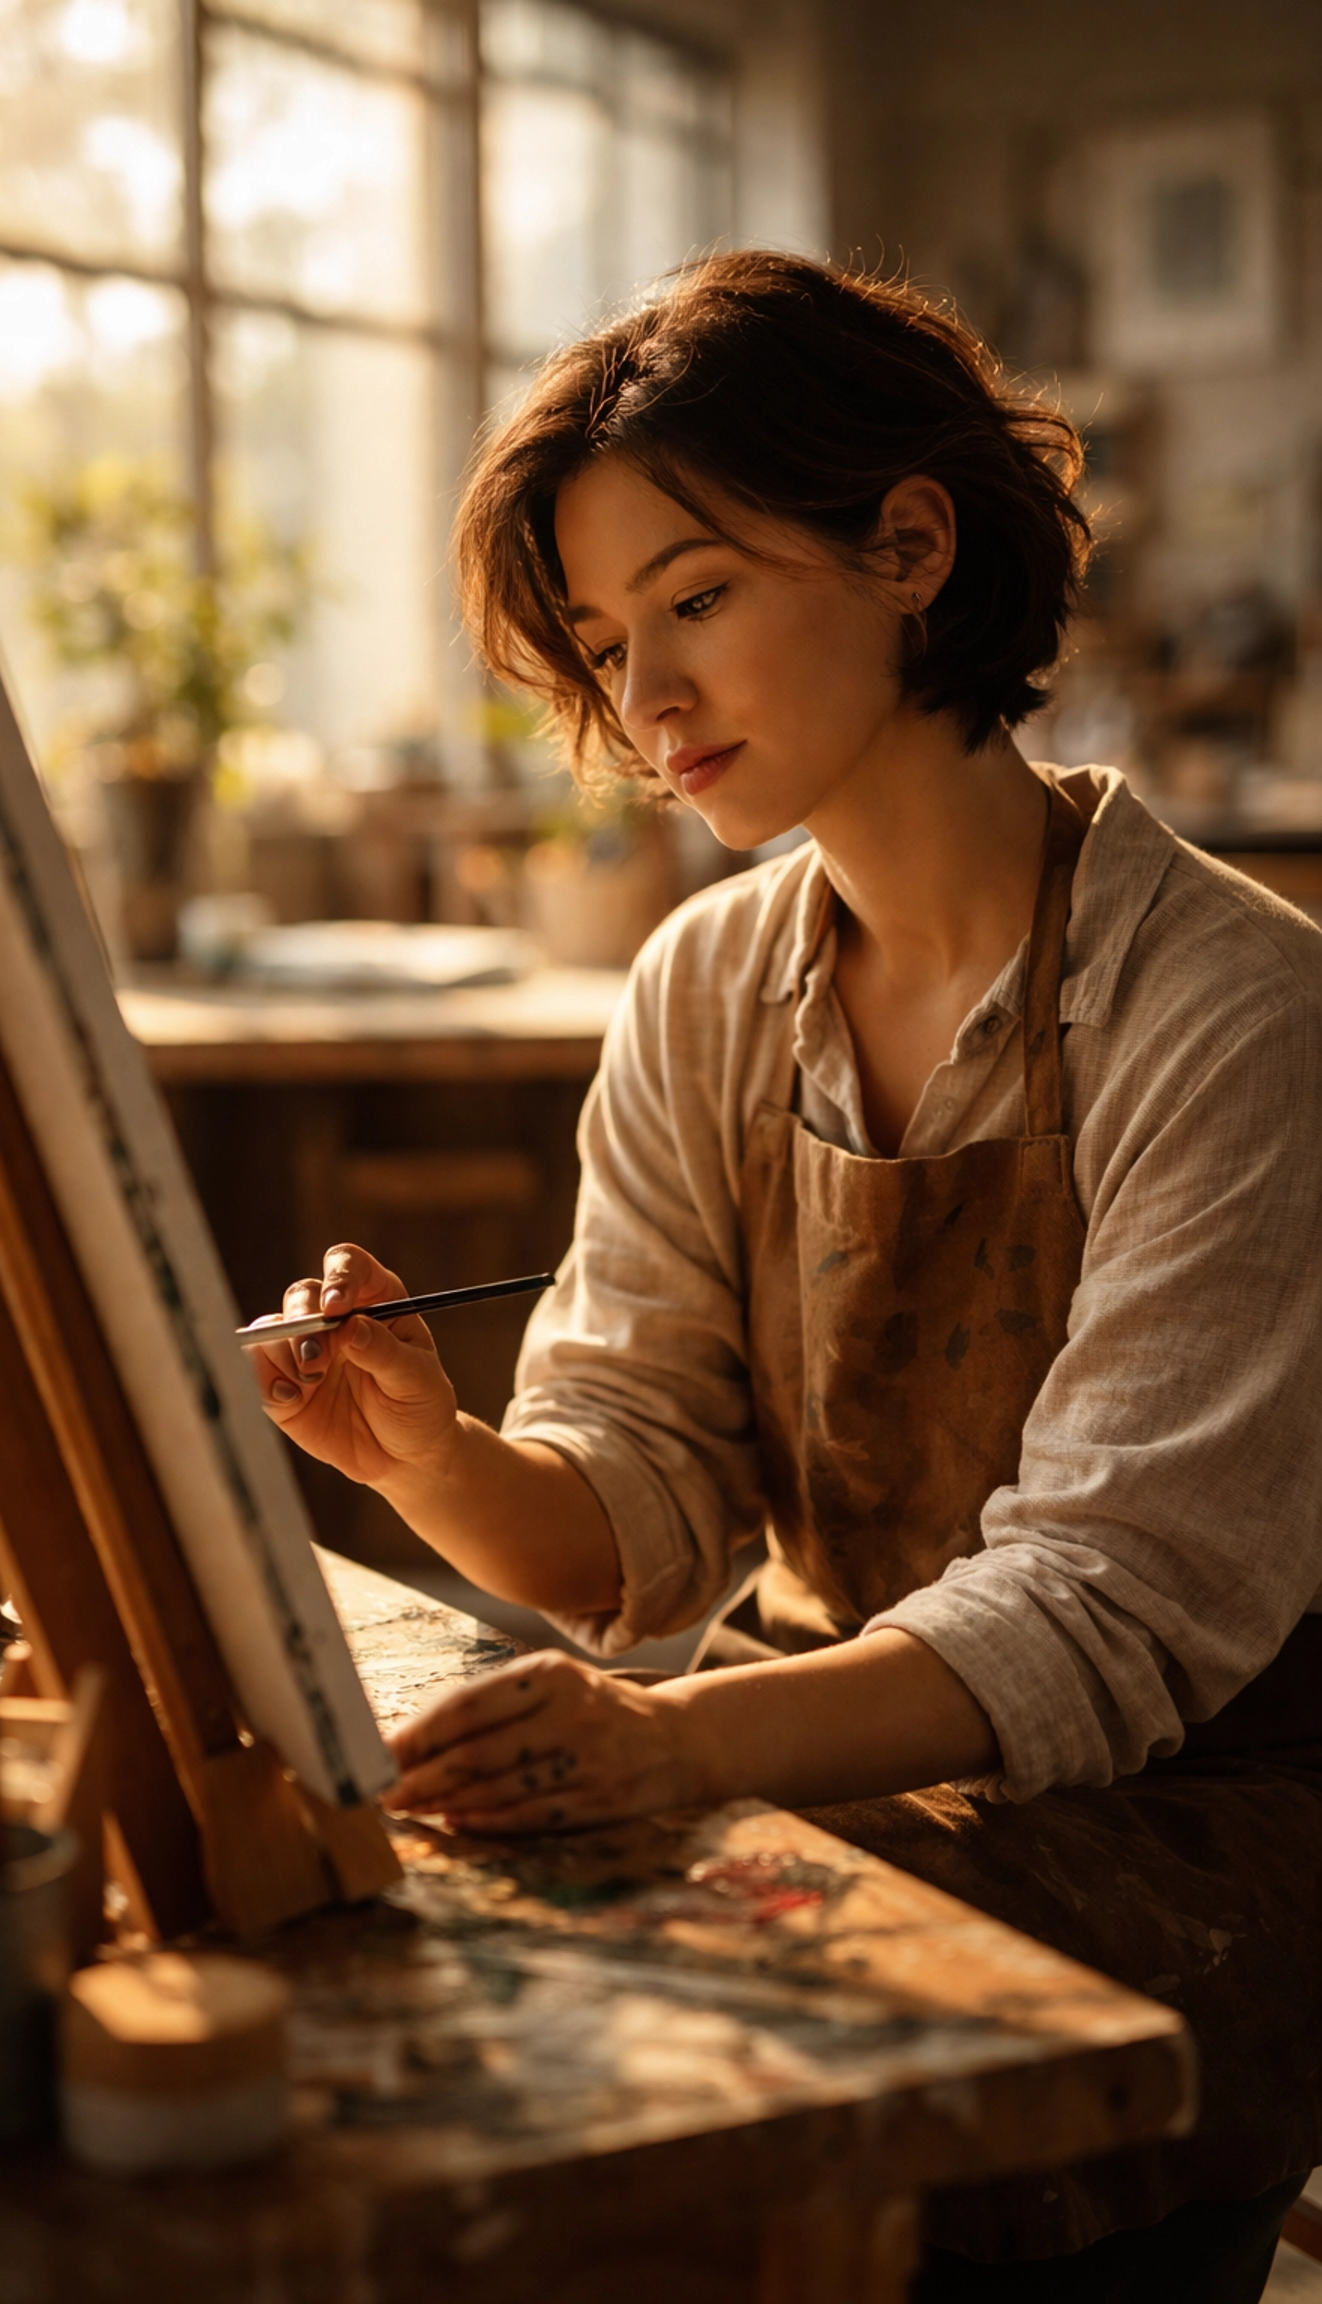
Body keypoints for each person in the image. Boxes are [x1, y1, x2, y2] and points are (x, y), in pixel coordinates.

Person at [249, 252, 1322, 2298]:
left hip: (1218, 1828)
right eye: (601, 641)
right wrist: (440, 1457)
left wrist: (680, 1748)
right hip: (870, 1754)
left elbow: (1111, 1611)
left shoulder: (1235, 1009)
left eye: (699, 598)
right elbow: (636, 1511)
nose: (644, 707)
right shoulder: (707, 986)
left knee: (624, 2039)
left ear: (909, 542)